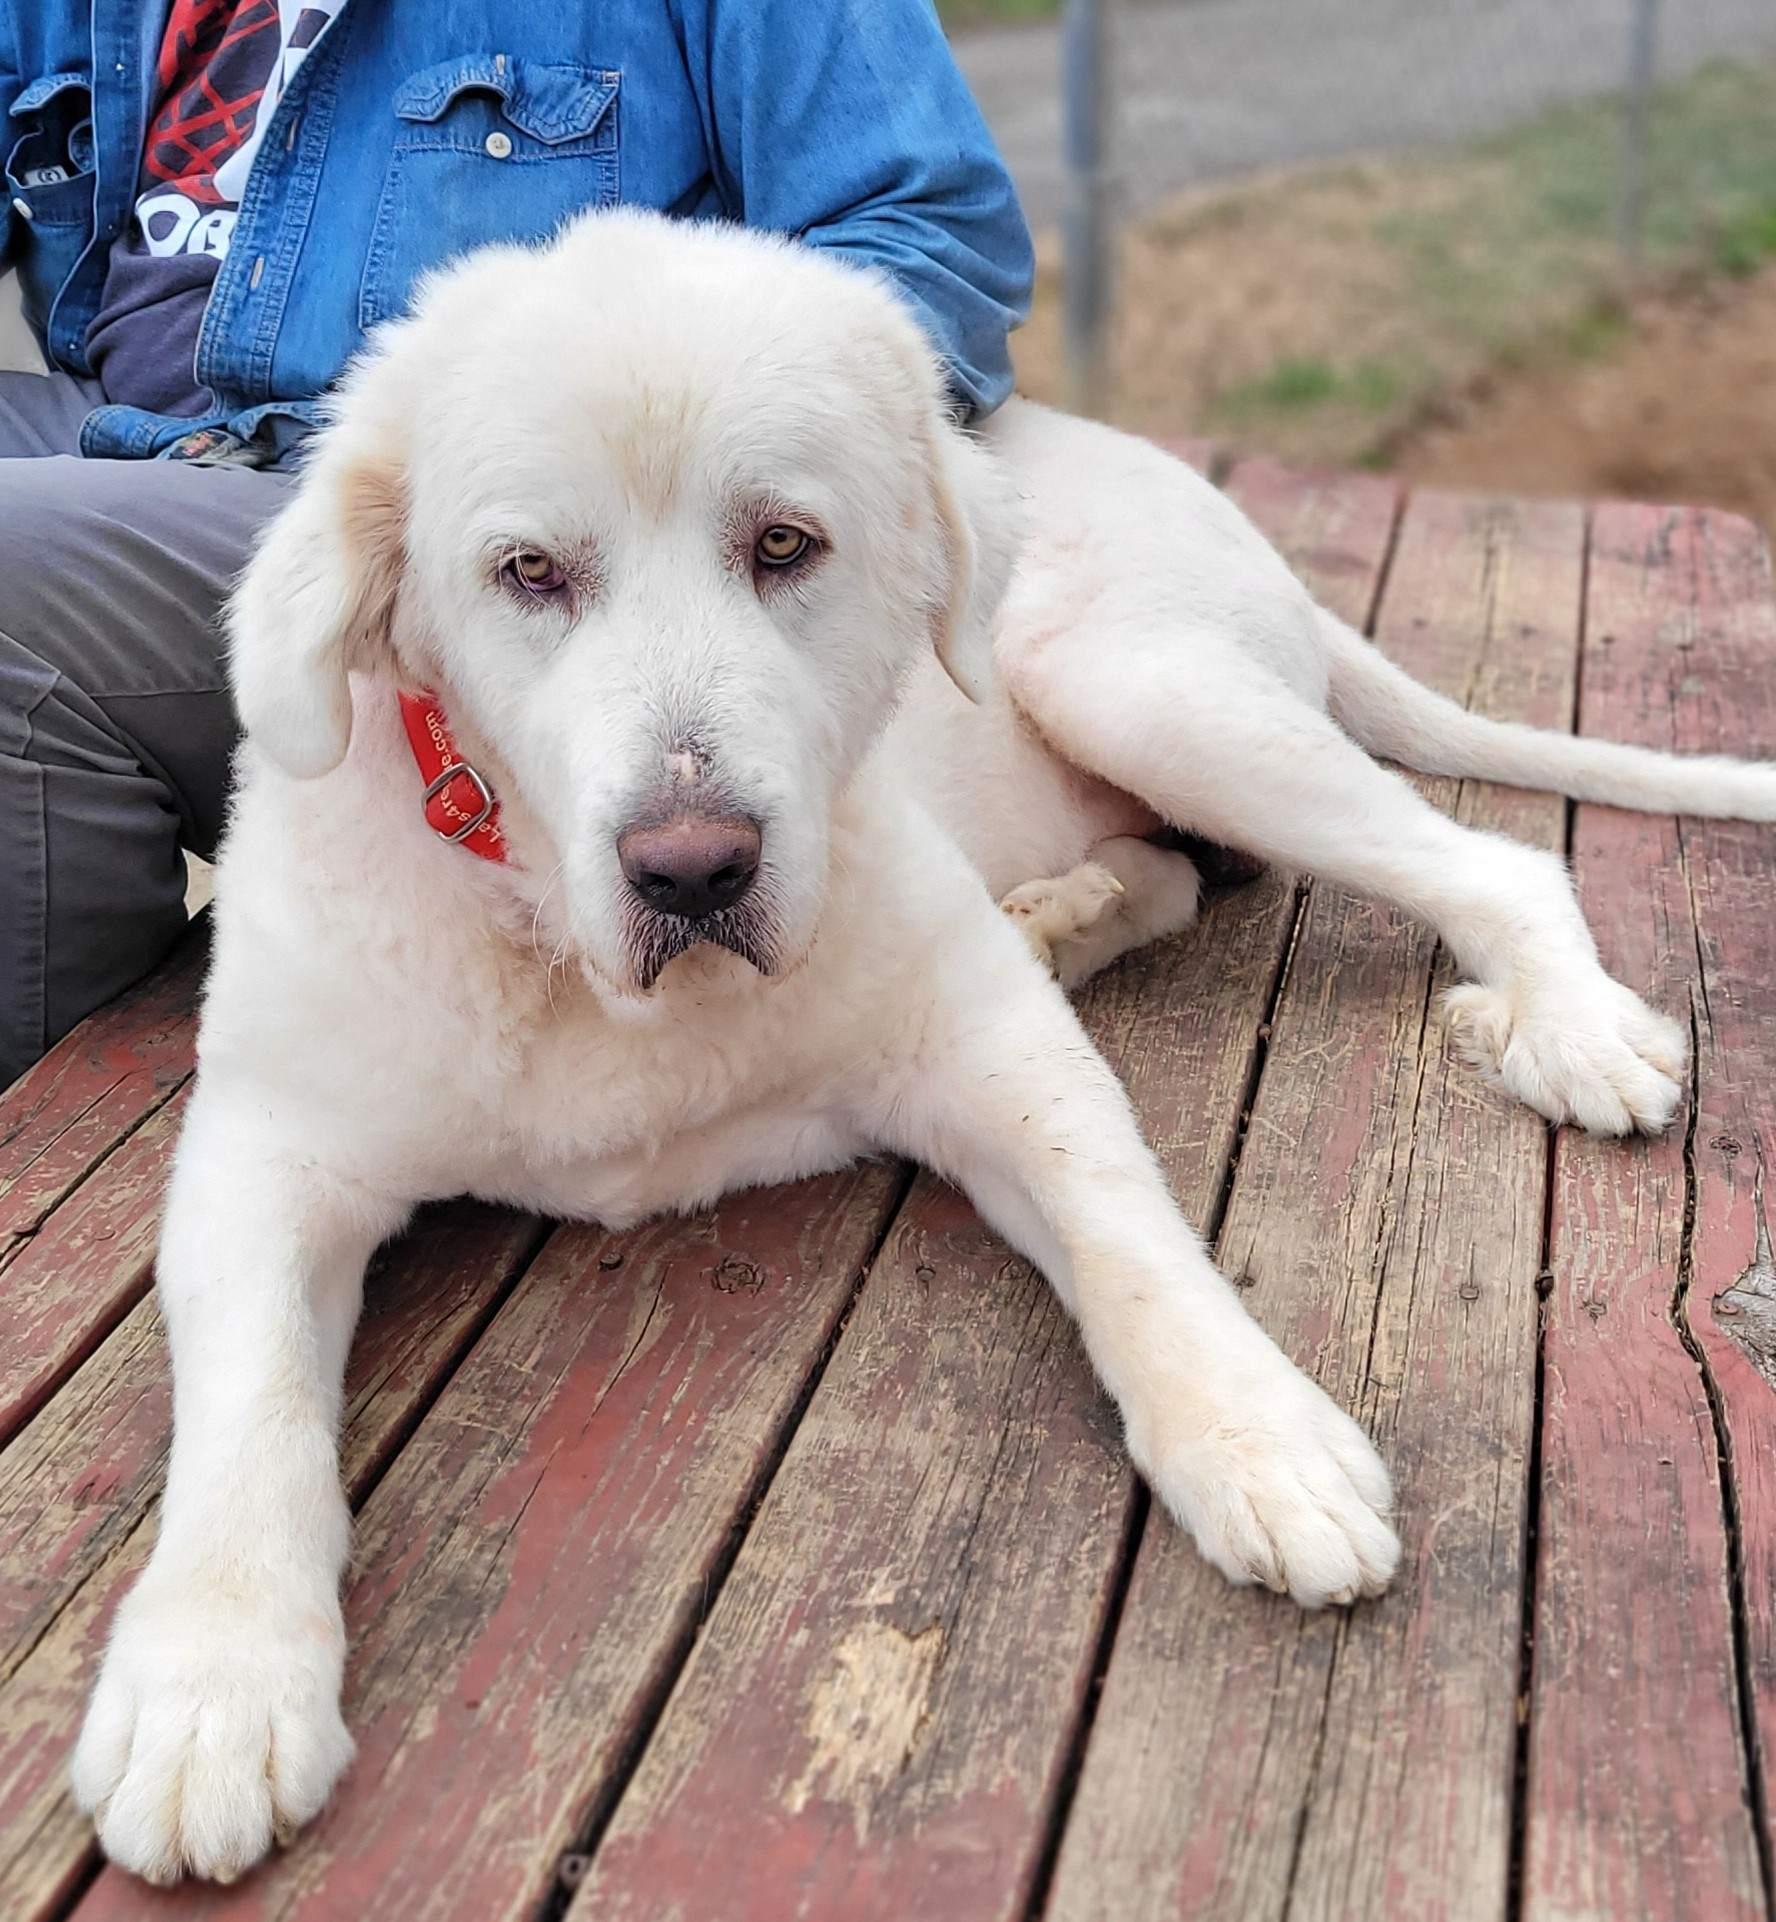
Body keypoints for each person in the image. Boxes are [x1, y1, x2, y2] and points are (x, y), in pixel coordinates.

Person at [0, 1, 1033, 1090]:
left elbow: (933, 234)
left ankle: (69, 1139)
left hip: (398, 507)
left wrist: (543, 424)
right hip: (116, 429)